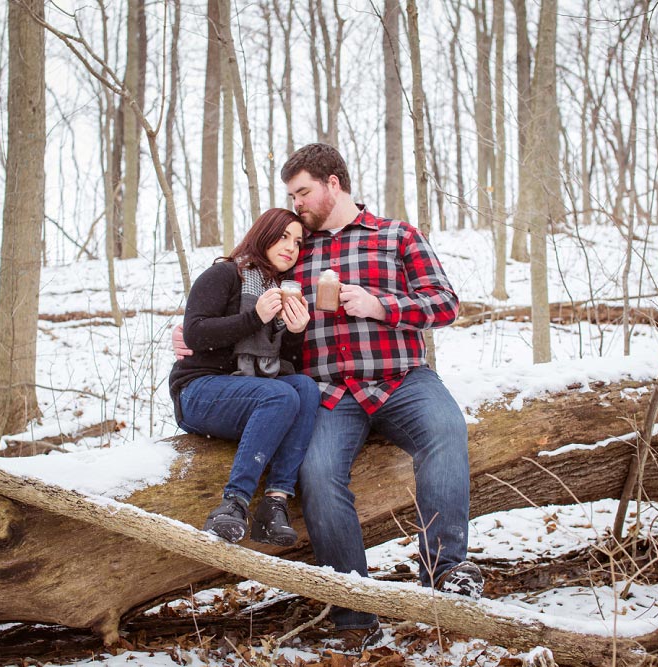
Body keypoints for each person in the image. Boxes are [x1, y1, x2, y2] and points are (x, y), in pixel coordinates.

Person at [175, 144, 480, 652]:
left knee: (446, 431)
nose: (297, 205)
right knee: (315, 476)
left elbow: (446, 304)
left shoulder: (395, 235)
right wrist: (188, 334)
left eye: (303, 192)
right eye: (291, 196)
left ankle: (447, 572)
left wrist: (382, 305)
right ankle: (353, 609)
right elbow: (238, 294)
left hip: (401, 377)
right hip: (329, 391)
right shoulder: (297, 248)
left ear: (333, 183)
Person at [168, 207, 319, 547]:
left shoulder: (281, 291)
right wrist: (254, 317)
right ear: (263, 234)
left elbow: (283, 365)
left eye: (297, 241)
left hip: (249, 397)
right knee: (280, 395)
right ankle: (233, 504)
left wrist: (295, 331)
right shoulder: (225, 274)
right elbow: (195, 333)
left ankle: (275, 503)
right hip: (198, 392)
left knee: (304, 389)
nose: (291, 247)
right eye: (283, 237)